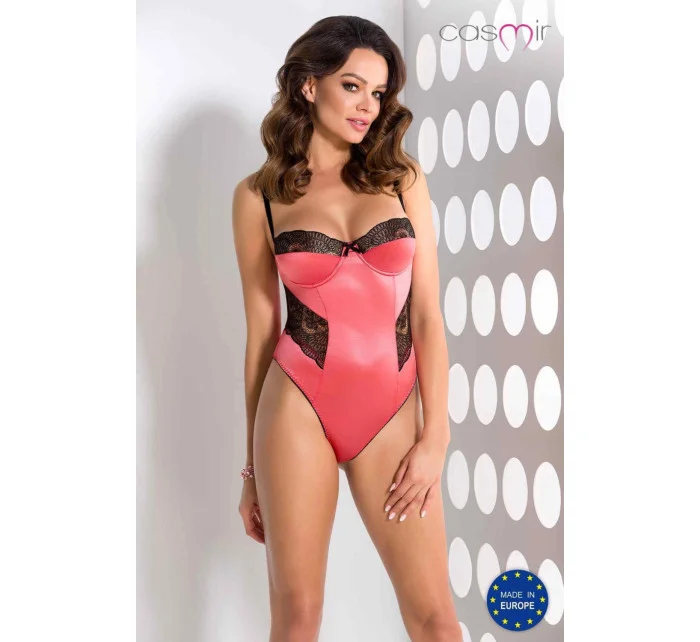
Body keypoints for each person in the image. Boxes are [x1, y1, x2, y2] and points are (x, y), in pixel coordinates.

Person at [231, 15, 460, 642]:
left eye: (378, 93)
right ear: (310, 86)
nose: (367, 106)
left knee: (437, 622)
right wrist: (251, 470)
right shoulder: (259, 197)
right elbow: (262, 334)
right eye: (353, 86)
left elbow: (427, 315)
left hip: (391, 410)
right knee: (297, 617)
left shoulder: (402, 178)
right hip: (297, 406)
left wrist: (435, 437)